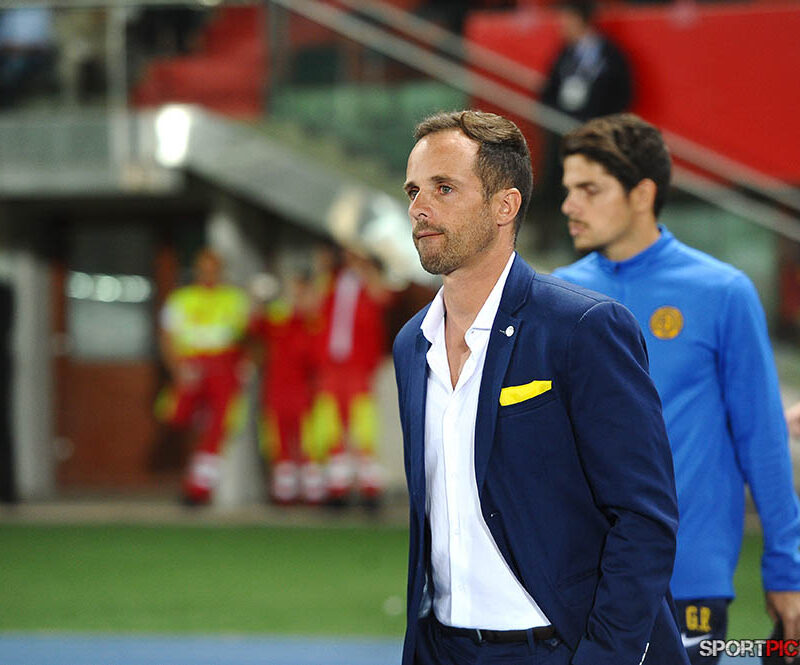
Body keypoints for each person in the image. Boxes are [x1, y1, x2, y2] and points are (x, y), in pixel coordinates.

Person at [393, 109, 688, 665]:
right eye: (413, 191)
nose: (419, 208)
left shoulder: (582, 328)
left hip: (557, 649)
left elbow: (644, 518)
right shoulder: (413, 344)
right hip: (444, 649)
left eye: (443, 188)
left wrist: (605, 656)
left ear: (504, 206)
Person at [552, 113, 800, 663]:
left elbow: (762, 441)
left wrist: (787, 569)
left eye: (589, 189)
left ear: (642, 194)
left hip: (689, 578)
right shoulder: (557, 296)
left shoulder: (723, 293)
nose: (569, 205)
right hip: (584, 578)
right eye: (568, 189)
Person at [156, 249, 251, 505]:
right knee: (176, 416)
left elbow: (250, 335)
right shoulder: (182, 299)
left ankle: (198, 488)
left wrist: (246, 366)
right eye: (204, 268)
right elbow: (166, 338)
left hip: (224, 366)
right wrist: (178, 369)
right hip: (191, 366)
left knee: (218, 429)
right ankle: (192, 472)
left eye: (214, 269)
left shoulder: (235, 299)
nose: (209, 274)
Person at [536, 0, 633, 250]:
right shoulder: (565, 54)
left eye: (567, 20)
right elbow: (548, 89)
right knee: (555, 185)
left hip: (593, 138)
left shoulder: (609, 54)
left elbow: (622, 91)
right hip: (560, 135)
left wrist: (599, 124)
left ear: (580, 20)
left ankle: (586, 242)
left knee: (587, 189)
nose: (562, 26)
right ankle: (547, 239)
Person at [312, 247, 389, 506]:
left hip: (358, 364)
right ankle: (338, 487)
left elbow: (382, 296)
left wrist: (366, 269)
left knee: (362, 422)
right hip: (331, 363)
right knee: (331, 421)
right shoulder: (331, 281)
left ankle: (369, 487)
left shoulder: (369, 282)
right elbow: (314, 308)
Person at [249, 272, 325, 505]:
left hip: (306, 393)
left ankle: (313, 493)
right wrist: (258, 300)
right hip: (277, 392)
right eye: (296, 293)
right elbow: (254, 328)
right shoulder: (280, 322)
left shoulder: (316, 325)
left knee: (309, 444)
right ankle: (285, 493)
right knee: (279, 443)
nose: (299, 298)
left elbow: (319, 360)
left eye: (304, 293)